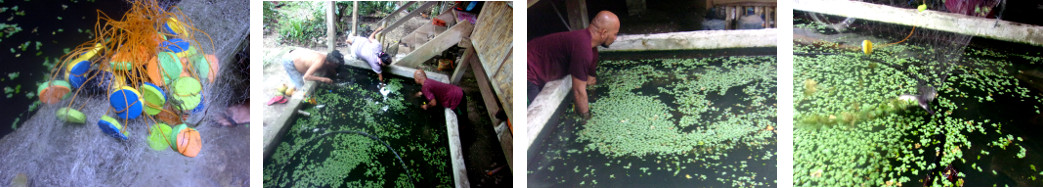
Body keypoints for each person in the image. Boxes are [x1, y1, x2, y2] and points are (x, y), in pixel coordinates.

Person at [527, 10, 620, 119]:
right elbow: (579, 91)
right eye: (615, 34)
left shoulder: (592, 50)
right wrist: (586, 118)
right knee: (536, 117)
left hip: (537, 67)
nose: (615, 38)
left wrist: (596, 100)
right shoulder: (583, 49)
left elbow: (591, 81)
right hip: (526, 70)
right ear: (603, 33)